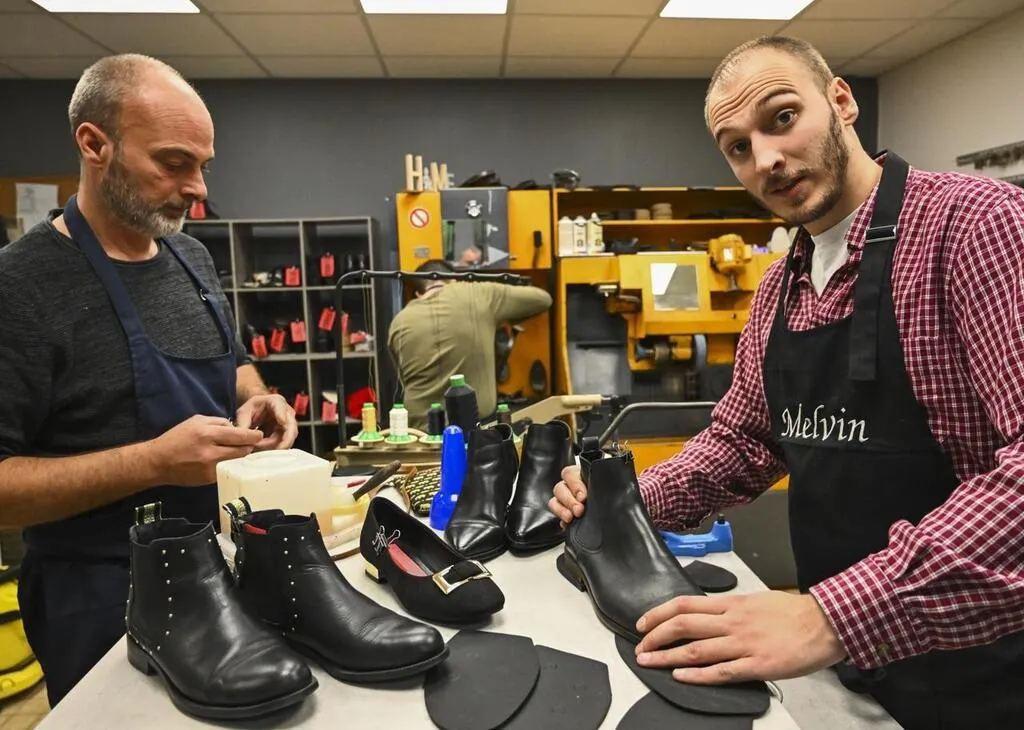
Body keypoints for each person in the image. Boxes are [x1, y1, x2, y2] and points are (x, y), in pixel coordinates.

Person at [549, 35, 1024, 729]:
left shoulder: (976, 227)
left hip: (985, 671)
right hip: (848, 672)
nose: (766, 159)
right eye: (738, 147)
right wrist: (627, 501)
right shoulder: (779, 285)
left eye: (782, 118)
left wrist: (833, 615)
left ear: (842, 101)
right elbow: (745, 441)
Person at [0, 54, 297, 707]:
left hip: (214, 561)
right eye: (173, 163)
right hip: (99, 595)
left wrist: (257, 396)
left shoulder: (191, 255)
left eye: (203, 166)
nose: (198, 189)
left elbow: (231, 357)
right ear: (94, 145)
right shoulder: (20, 286)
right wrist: (153, 463)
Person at [388, 260, 552, 430]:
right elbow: (542, 299)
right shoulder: (477, 294)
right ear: (454, 280)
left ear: (418, 293)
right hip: (474, 431)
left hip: (419, 432)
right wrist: (502, 319)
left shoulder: (399, 321)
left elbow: (402, 378)